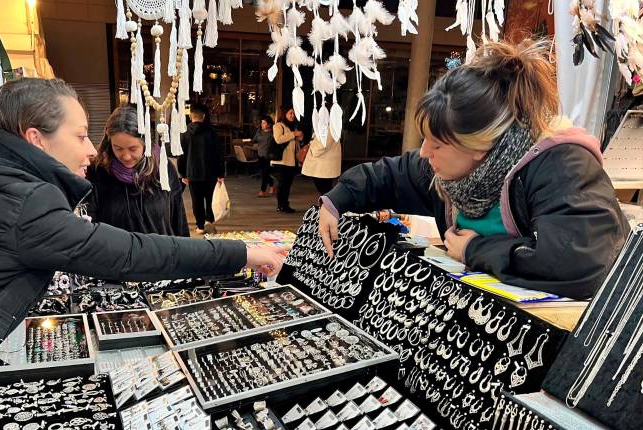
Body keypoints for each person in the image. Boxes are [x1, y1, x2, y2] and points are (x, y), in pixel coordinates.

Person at [0, 78, 287, 430]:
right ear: (35, 137)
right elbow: (131, 253)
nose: (92, 149)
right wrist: (240, 252)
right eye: (80, 135)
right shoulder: (21, 200)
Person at [318, 39, 629, 300]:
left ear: (480, 146)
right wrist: (337, 201)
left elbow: (579, 263)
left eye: (437, 144)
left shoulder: (563, 166)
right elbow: (391, 175)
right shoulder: (446, 169)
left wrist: (474, 249)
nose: (425, 152)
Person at [86, 105, 189, 236]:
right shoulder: (97, 172)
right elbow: (90, 225)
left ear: (146, 143)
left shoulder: (163, 168)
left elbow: (179, 220)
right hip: (117, 255)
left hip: (161, 254)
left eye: (133, 149)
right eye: (118, 148)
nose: (126, 156)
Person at [180, 103, 224, 235]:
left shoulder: (185, 133)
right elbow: (218, 155)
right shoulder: (212, 133)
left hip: (192, 173)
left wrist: (183, 174)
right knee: (210, 198)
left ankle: (200, 226)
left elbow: (182, 155)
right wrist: (221, 173)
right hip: (210, 173)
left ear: (190, 116)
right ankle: (209, 221)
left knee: (196, 200)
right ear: (204, 116)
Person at [271, 107, 304, 213]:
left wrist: (300, 138)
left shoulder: (293, 127)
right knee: (282, 184)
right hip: (281, 161)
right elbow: (278, 139)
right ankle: (281, 205)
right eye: (290, 113)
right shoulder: (278, 125)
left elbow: (295, 144)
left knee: (287, 184)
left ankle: (284, 204)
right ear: (285, 114)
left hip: (291, 161)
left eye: (294, 113)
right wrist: (293, 134)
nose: (292, 115)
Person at [252, 115, 275, 197]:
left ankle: (262, 190)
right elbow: (254, 139)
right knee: (264, 173)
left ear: (269, 124)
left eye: (264, 123)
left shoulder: (273, 133)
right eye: (262, 123)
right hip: (260, 155)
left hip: (268, 156)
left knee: (265, 173)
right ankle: (271, 185)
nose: (262, 124)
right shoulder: (259, 131)